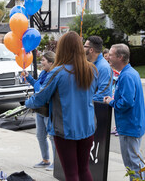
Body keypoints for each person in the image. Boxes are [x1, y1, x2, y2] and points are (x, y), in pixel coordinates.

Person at [25, 31, 98, 181]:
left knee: (71, 174)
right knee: (84, 169)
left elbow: (39, 98)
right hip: (87, 126)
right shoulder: (91, 69)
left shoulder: (58, 72)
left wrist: (27, 102)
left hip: (65, 129)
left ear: (62, 49)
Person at [103, 44, 145, 180]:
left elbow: (127, 102)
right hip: (133, 125)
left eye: (111, 54)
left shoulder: (127, 75)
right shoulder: (131, 72)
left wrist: (111, 101)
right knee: (136, 162)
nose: (108, 57)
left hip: (129, 127)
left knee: (132, 164)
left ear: (120, 57)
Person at [23, 51, 56, 171]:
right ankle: (45, 159)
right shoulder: (43, 73)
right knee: (40, 135)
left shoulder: (52, 75)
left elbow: (42, 91)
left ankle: (56, 162)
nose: (41, 63)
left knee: (52, 136)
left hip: (48, 109)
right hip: (40, 109)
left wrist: (29, 102)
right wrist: (29, 77)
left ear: (51, 63)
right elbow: (37, 85)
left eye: (43, 61)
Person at [84, 36, 113, 102]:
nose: (83, 49)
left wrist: (84, 101)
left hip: (99, 109)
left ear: (91, 50)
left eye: (85, 46)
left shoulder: (104, 67)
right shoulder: (90, 64)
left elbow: (103, 95)